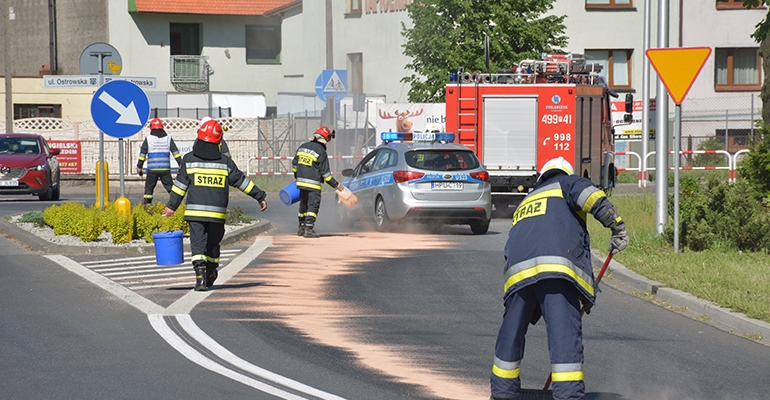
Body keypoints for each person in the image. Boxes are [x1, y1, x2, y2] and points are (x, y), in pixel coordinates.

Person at [490, 156, 629, 400]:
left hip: (516, 277)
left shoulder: (526, 201)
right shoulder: (566, 183)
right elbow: (592, 197)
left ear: (541, 176)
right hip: (555, 270)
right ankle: (567, 395)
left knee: (510, 335)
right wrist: (616, 226)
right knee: (563, 334)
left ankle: (502, 393)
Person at [163, 119, 267, 291]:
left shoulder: (189, 160)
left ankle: (200, 278)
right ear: (219, 141)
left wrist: (171, 207)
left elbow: (179, 187)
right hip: (217, 216)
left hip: (195, 215)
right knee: (212, 245)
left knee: (198, 244)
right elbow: (242, 182)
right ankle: (211, 271)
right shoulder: (225, 163)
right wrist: (259, 196)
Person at [292, 125, 345, 238]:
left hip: (301, 183)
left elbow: (294, 164)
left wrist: (296, 176)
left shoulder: (302, 147)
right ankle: (309, 229)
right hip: (313, 184)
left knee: (303, 204)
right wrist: (337, 185)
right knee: (313, 205)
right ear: (325, 139)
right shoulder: (321, 151)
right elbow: (326, 175)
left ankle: (301, 227)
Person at [137, 118, 182, 205]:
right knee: (170, 188)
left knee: (149, 189)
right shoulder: (168, 139)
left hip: (152, 169)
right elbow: (175, 151)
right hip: (165, 169)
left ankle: (147, 206)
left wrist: (139, 166)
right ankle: (176, 203)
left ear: (151, 128)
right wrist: (180, 163)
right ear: (162, 127)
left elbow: (142, 154)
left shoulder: (148, 139)